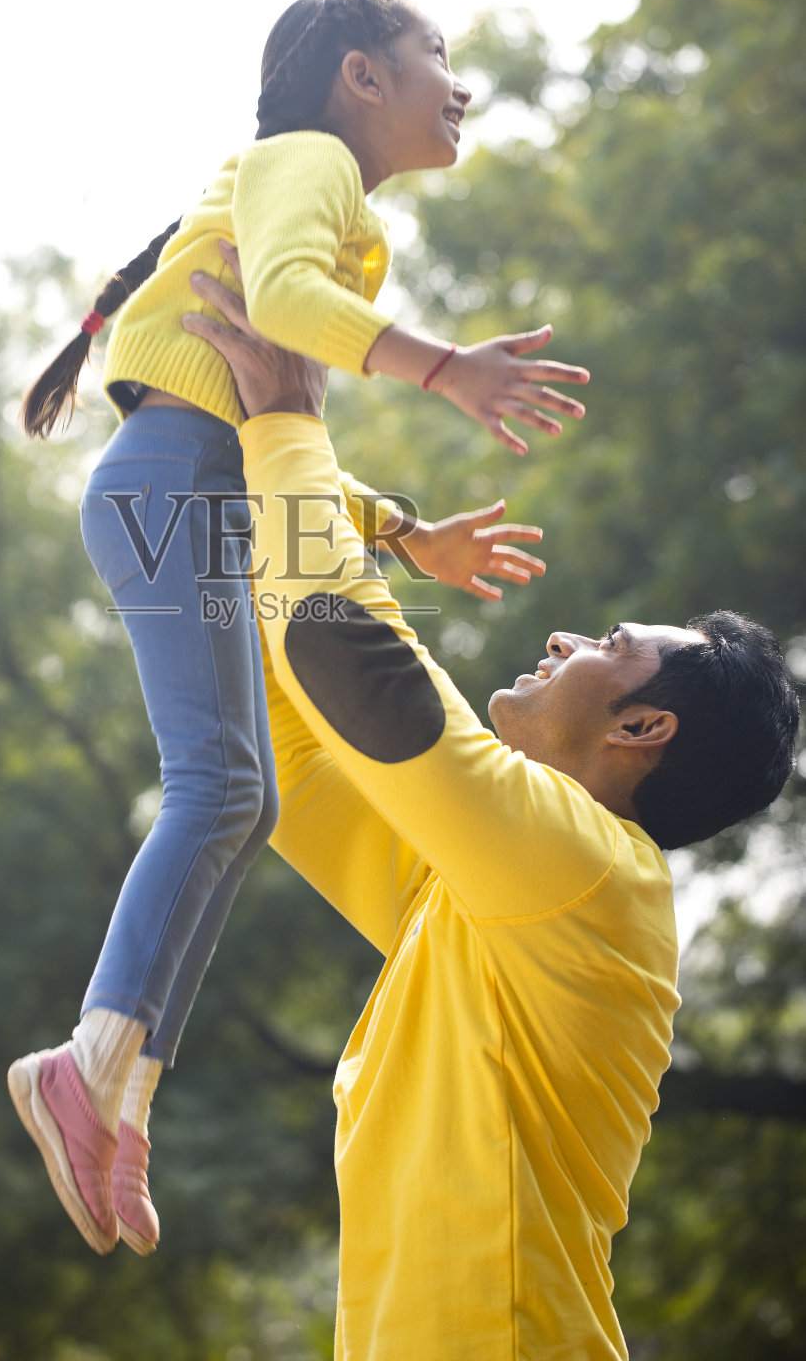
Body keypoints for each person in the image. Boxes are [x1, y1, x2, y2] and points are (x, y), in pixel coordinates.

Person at [7, 0, 590, 1257]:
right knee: (218, 787)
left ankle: (119, 1096)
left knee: (242, 797)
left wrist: (404, 535)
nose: (458, 80)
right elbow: (279, 306)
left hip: (200, 487)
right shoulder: (305, 160)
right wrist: (444, 367)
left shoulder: (326, 189)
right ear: (357, 76)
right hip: (172, 489)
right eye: (435, 52)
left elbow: (273, 412)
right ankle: (81, 1062)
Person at [180, 270, 801, 1360]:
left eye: (605, 645)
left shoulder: (587, 871)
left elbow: (358, 674)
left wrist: (289, 418)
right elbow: (282, 731)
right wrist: (224, 454)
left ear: (642, 729)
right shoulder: (482, 894)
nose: (562, 639)